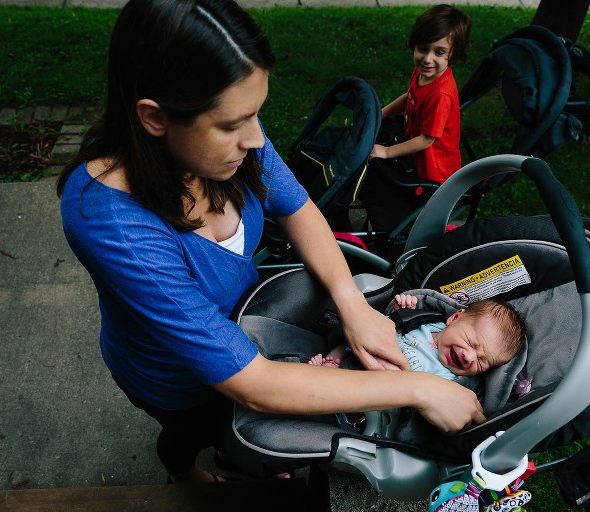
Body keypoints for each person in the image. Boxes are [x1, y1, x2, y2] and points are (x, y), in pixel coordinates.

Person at [56, 0, 484, 485]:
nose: (257, 139)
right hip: (175, 378)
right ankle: (182, 470)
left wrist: (353, 304)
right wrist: (422, 389)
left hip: (252, 328)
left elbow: (296, 205)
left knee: (248, 444)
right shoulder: (110, 221)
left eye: (255, 113)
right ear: (155, 117)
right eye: (231, 124)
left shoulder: (232, 149)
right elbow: (254, 385)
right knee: (190, 431)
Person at [361, 4, 471, 242]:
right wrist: (384, 112)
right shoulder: (423, 74)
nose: (427, 59)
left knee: (408, 208)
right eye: (423, 49)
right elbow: (409, 96)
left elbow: (426, 139)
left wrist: (387, 151)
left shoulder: (441, 94)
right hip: (417, 154)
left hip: (433, 171)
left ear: (453, 54)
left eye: (439, 52)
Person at [310, 293, 525, 380]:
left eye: (482, 362)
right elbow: (392, 325)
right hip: (368, 350)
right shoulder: (428, 320)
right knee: (349, 342)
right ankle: (331, 364)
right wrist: (402, 309)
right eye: (470, 343)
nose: (469, 357)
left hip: (381, 384)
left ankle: (333, 381)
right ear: (455, 318)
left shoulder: (450, 379)